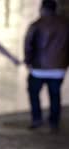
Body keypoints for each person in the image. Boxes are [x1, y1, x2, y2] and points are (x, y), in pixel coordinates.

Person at [24, 0, 69, 133]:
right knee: (55, 95)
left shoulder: (37, 24)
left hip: (39, 68)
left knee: (34, 93)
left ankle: (36, 118)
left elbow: (28, 44)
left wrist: (28, 61)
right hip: (59, 67)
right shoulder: (66, 24)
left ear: (42, 8)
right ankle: (54, 122)